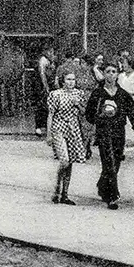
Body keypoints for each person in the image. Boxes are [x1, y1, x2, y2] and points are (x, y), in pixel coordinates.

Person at [85, 61, 134, 210]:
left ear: (118, 74)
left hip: (118, 131)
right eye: (108, 71)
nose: (111, 74)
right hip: (104, 131)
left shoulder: (122, 93)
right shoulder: (98, 93)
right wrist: (100, 117)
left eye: (113, 71)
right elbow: (89, 114)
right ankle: (112, 196)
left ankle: (102, 185)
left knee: (116, 161)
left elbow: (132, 111)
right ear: (103, 74)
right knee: (108, 161)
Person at [46, 70, 86, 204]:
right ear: (63, 81)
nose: (71, 82)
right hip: (59, 126)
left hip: (73, 128)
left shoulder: (79, 93)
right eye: (68, 79)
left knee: (70, 162)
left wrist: (77, 104)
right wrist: (49, 134)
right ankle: (57, 188)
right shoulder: (56, 94)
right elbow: (51, 114)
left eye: (73, 80)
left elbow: (84, 112)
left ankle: (65, 194)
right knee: (64, 160)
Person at [33, 45, 56, 136]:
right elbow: (42, 74)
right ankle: (39, 127)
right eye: (51, 52)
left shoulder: (50, 61)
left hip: (47, 86)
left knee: (48, 106)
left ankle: (46, 126)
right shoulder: (43, 60)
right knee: (41, 106)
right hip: (42, 86)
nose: (52, 54)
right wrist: (45, 86)